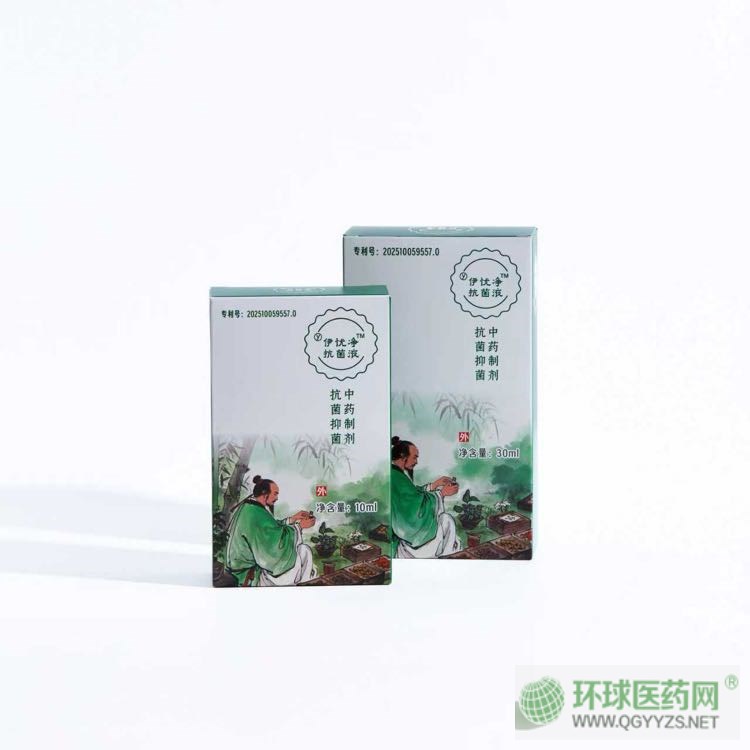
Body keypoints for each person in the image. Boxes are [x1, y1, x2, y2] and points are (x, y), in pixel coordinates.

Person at [225, 475, 317, 586]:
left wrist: (293, 519)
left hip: (249, 567)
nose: (277, 498)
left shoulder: (250, 507)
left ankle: (304, 586)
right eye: (275, 494)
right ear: (265, 494)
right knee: (304, 552)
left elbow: (271, 528)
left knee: (303, 550)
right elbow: (272, 547)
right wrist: (300, 526)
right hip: (250, 575)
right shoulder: (255, 513)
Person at [390, 436, 462, 558]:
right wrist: (442, 493)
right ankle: (447, 557)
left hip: (406, 533)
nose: (416, 462)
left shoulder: (396, 474)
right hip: (414, 538)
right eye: (414, 457)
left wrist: (434, 485)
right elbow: (415, 506)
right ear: (403, 456)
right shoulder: (397, 477)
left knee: (445, 520)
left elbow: (413, 494)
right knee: (447, 520)